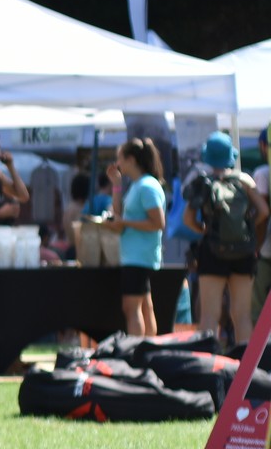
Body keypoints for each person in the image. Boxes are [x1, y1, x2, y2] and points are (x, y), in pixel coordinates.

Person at [181, 132, 267, 343]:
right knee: (242, 315)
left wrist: (204, 229)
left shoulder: (203, 182)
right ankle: (244, 361)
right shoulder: (244, 180)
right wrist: (248, 227)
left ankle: (209, 359)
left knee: (210, 315)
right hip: (243, 252)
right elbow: (264, 211)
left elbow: (187, 219)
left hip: (212, 251)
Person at [99, 138, 167, 336]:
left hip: (139, 257)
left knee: (132, 308)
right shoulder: (139, 185)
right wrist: (116, 185)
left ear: (131, 159)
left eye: (120, 158)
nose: (117, 163)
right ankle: (148, 348)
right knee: (145, 307)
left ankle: (137, 349)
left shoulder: (147, 186)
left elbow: (158, 223)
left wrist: (124, 223)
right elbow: (119, 214)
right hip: (136, 256)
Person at [256, 126, 271, 323]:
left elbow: (263, 214)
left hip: (266, 252)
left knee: (259, 309)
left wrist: (256, 247)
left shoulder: (263, 173)